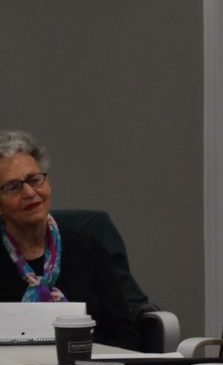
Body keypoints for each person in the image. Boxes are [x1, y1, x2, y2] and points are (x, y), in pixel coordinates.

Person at [0, 130, 141, 350]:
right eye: (13, 187)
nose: (29, 192)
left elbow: (125, 336)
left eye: (34, 180)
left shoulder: (88, 249)